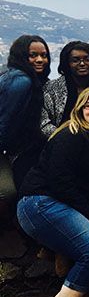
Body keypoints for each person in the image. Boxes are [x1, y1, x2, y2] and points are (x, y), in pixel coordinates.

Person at [17, 87, 89, 297]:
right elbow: (60, 181)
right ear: (80, 109)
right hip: (39, 203)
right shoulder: (72, 135)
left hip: (65, 205)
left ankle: (68, 280)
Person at [0, 35, 50, 218]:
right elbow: (4, 122)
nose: (40, 60)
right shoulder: (22, 81)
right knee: (8, 190)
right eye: (33, 55)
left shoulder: (12, 73)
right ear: (22, 56)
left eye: (44, 55)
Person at [41, 41, 89, 138]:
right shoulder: (52, 88)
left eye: (87, 59)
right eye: (75, 60)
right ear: (67, 63)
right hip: (60, 144)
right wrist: (65, 139)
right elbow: (43, 123)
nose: (82, 63)